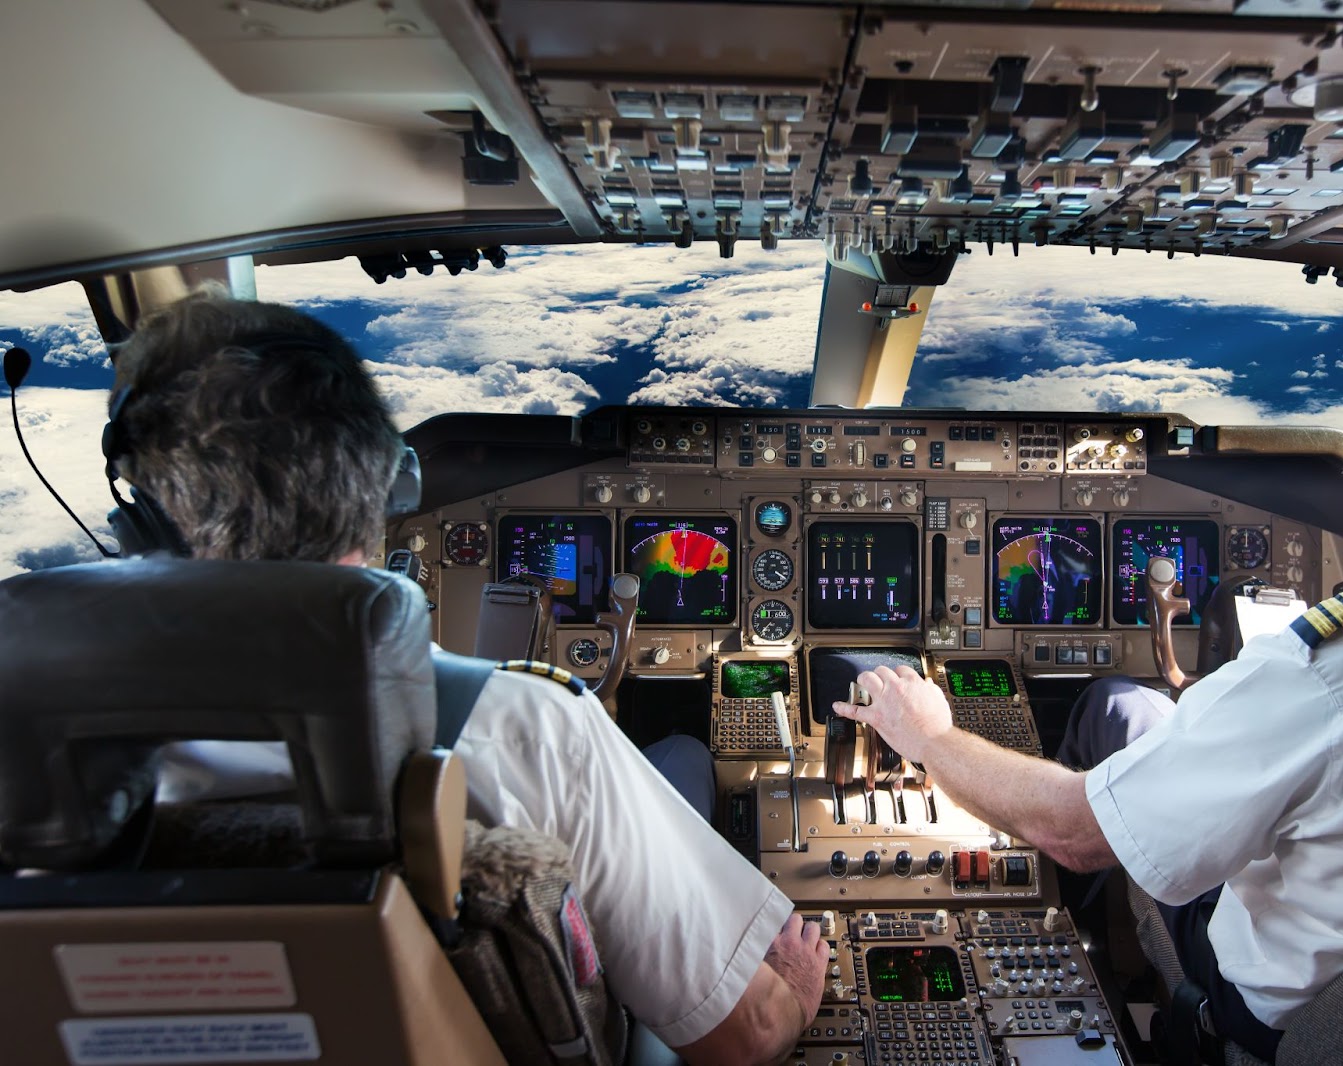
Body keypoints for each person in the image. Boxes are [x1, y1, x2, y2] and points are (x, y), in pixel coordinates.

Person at [834, 241, 1343, 1062]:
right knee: (1127, 705)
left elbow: (1076, 831)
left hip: (1269, 1027)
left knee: (1113, 716)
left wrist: (927, 736)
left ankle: (1081, 930)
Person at [108, 288, 827, 1065]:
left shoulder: (44, 748)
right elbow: (741, 1041)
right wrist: (785, 990)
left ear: (140, 520)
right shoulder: (523, 725)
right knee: (684, 755)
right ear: (388, 489)